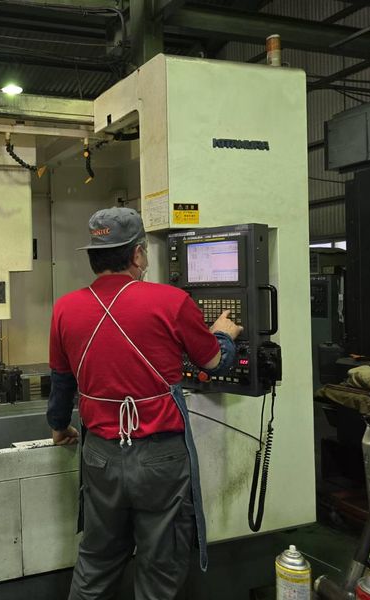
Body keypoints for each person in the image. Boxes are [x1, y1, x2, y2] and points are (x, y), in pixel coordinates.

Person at [47, 207, 242, 600]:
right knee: (159, 569)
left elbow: (62, 382)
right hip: (161, 459)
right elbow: (214, 362)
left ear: (94, 255)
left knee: (96, 563)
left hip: (100, 456)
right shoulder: (171, 301)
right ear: (137, 254)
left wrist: (59, 426)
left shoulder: (65, 308)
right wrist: (224, 334)